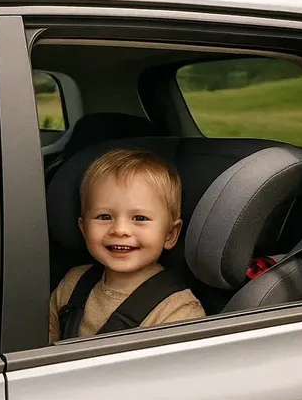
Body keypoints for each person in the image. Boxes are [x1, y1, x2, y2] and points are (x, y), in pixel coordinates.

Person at [49, 147, 206, 342]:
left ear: (169, 234)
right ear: (83, 228)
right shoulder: (72, 285)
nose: (120, 230)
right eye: (104, 216)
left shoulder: (177, 312)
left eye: (140, 218)